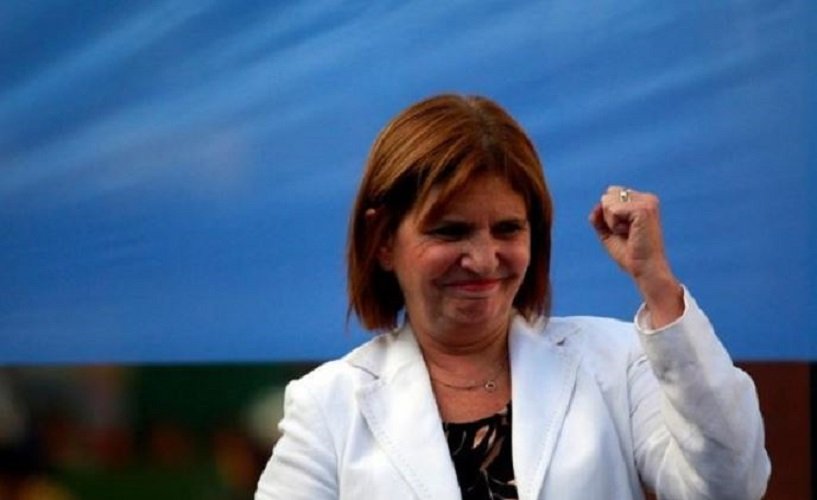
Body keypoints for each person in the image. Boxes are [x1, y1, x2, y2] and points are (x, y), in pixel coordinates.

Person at [255, 94, 770, 499]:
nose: (484, 260)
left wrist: (656, 283)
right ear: (383, 240)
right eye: (450, 231)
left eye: (507, 229)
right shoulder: (327, 405)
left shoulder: (616, 362)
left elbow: (730, 486)